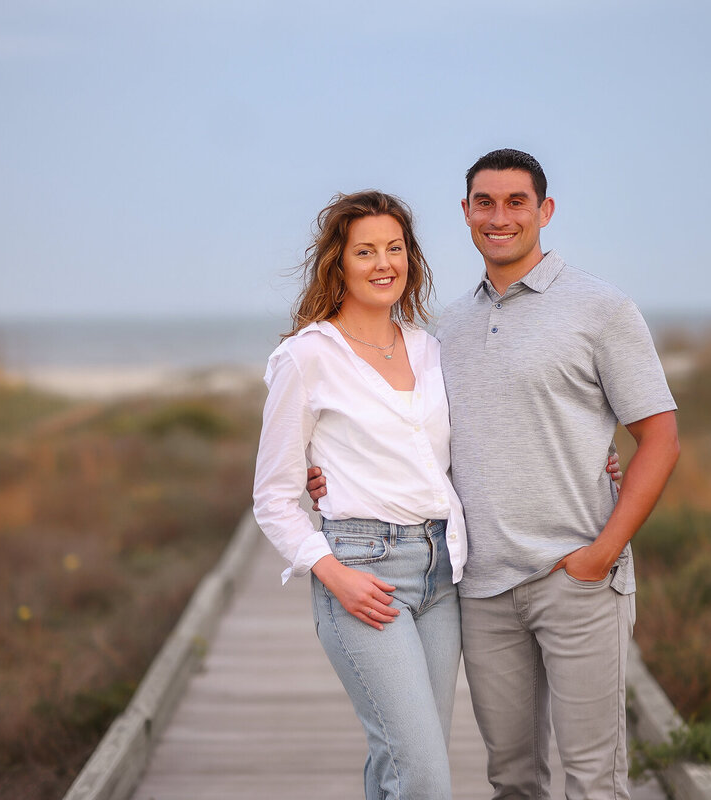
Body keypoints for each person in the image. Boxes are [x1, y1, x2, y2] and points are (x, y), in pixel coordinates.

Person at [310, 149, 679, 800]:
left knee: (595, 780)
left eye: (516, 202)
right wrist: (329, 474)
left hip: (578, 581)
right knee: (511, 780)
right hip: (479, 591)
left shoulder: (601, 310)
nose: (499, 216)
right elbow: (416, 439)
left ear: (545, 211)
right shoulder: (444, 330)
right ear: (466, 213)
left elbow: (660, 438)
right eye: (485, 202)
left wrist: (603, 553)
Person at [251, 190, 466, 800]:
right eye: (365, 250)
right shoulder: (307, 356)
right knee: (421, 772)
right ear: (337, 264)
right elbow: (273, 496)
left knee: (403, 760)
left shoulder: (430, 349)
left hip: (442, 573)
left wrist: (597, 459)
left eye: (394, 248)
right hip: (363, 573)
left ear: (411, 258)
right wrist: (332, 572)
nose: (383, 263)